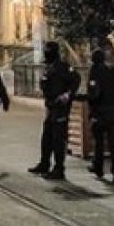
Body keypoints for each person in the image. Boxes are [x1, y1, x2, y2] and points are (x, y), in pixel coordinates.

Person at [29, 41, 80, 179]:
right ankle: (44, 163)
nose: (46, 53)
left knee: (58, 139)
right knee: (47, 138)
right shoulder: (49, 66)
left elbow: (76, 79)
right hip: (51, 107)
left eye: (48, 51)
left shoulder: (63, 67)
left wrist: (68, 94)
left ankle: (59, 169)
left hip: (60, 108)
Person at [86, 48, 114, 184]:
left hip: (101, 113)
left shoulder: (95, 72)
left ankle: (98, 168)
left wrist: (91, 108)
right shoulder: (113, 71)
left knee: (99, 143)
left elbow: (94, 94)